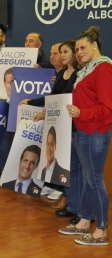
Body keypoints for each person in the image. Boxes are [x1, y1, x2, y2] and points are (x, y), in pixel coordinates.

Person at [59, 26, 112, 246]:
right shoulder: (88, 69)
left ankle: (101, 230)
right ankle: (84, 221)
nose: (79, 52)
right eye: (77, 48)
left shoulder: (103, 69)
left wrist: (83, 113)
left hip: (95, 132)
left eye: (83, 47)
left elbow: (108, 108)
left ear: (95, 46)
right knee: (90, 180)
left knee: (96, 181)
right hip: (83, 130)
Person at [21, 40, 82, 222]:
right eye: (60, 52)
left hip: (73, 126)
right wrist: (42, 109)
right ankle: (72, 205)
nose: (62, 55)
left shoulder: (79, 74)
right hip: (59, 125)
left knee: (75, 169)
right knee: (67, 166)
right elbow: (53, 98)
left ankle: (77, 207)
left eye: (66, 52)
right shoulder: (62, 72)